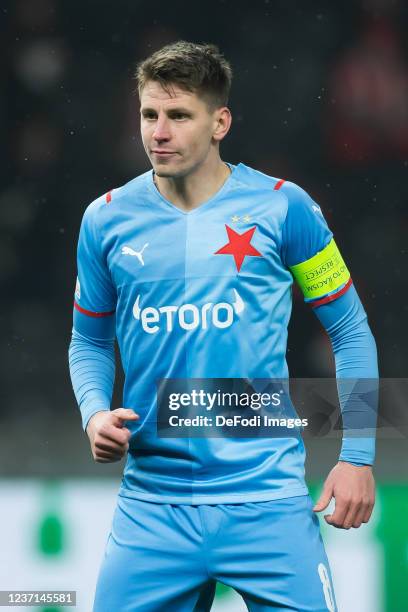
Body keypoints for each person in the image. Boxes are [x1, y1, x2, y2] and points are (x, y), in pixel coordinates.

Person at [68, 41, 378, 612]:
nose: (159, 132)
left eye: (179, 115)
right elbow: (88, 340)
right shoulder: (105, 219)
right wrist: (93, 411)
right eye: (149, 114)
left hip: (268, 505)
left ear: (220, 122)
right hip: (152, 510)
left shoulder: (286, 209)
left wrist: (357, 456)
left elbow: (351, 330)